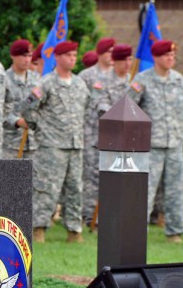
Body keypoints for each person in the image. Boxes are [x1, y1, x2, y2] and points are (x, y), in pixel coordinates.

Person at [23, 41, 89, 243]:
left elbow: (84, 110)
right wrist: (40, 127)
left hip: (75, 145)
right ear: (57, 57)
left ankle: (74, 231)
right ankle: (39, 229)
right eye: (68, 55)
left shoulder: (80, 84)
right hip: (52, 145)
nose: (72, 58)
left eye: (74, 54)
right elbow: (27, 108)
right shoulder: (46, 83)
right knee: (46, 188)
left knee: (75, 189)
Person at [127, 40, 183, 243]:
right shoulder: (142, 80)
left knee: (175, 190)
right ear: (156, 57)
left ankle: (175, 231)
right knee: (145, 191)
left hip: (175, 145)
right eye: (166, 55)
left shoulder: (179, 80)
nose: (171, 58)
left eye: (173, 55)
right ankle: (137, 231)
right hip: (150, 146)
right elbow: (126, 109)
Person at [83, 44, 133, 226]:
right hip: (103, 137)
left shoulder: (134, 81)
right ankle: (91, 218)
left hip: (130, 139)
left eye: (130, 59)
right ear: (116, 61)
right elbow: (100, 106)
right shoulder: (102, 81)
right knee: (97, 178)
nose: (128, 64)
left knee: (125, 180)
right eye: (124, 60)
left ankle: (118, 217)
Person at [78, 37, 115, 226]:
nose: (112, 55)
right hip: (91, 133)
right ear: (100, 53)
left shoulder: (119, 76)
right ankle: (89, 216)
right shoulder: (86, 76)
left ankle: (106, 216)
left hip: (114, 136)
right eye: (109, 52)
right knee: (90, 178)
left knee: (110, 177)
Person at [3, 39, 39, 158]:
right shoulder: (3, 79)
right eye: (23, 56)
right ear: (13, 56)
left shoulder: (37, 79)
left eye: (29, 55)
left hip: (34, 143)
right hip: (10, 143)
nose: (27, 60)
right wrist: (17, 121)